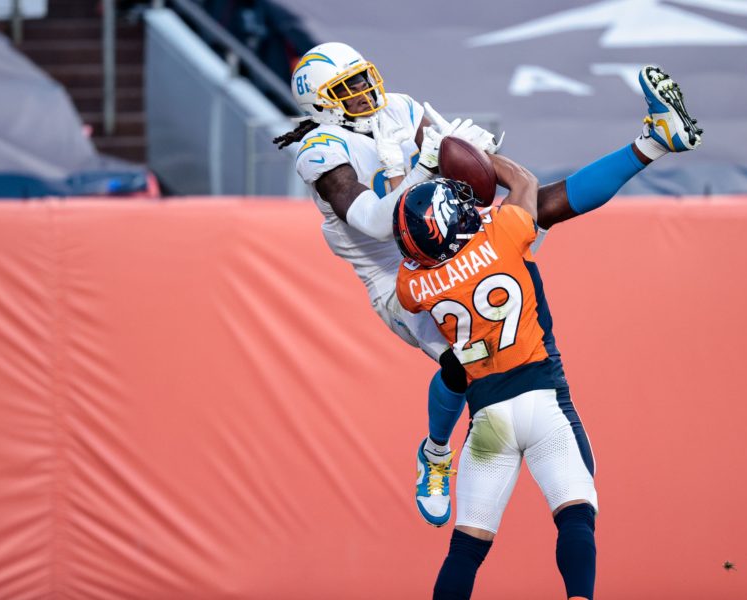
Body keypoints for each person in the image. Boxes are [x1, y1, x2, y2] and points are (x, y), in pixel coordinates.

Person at [272, 41, 701, 528]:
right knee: (463, 363)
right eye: (347, 89)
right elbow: (373, 221)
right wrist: (420, 166)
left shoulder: (398, 107)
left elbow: (455, 160)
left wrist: (481, 156)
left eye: (364, 77)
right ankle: (435, 456)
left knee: (537, 204)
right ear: (321, 104)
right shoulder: (320, 150)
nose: (366, 91)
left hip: (447, 229)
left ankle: (653, 142)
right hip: (397, 274)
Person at [392, 156, 596, 599]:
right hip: (544, 401)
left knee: (466, 549)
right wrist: (483, 155)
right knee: (575, 516)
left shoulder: (413, 286)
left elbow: (417, 255)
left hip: (488, 424)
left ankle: (435, 451)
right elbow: (525, 179)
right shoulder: (503, 233)